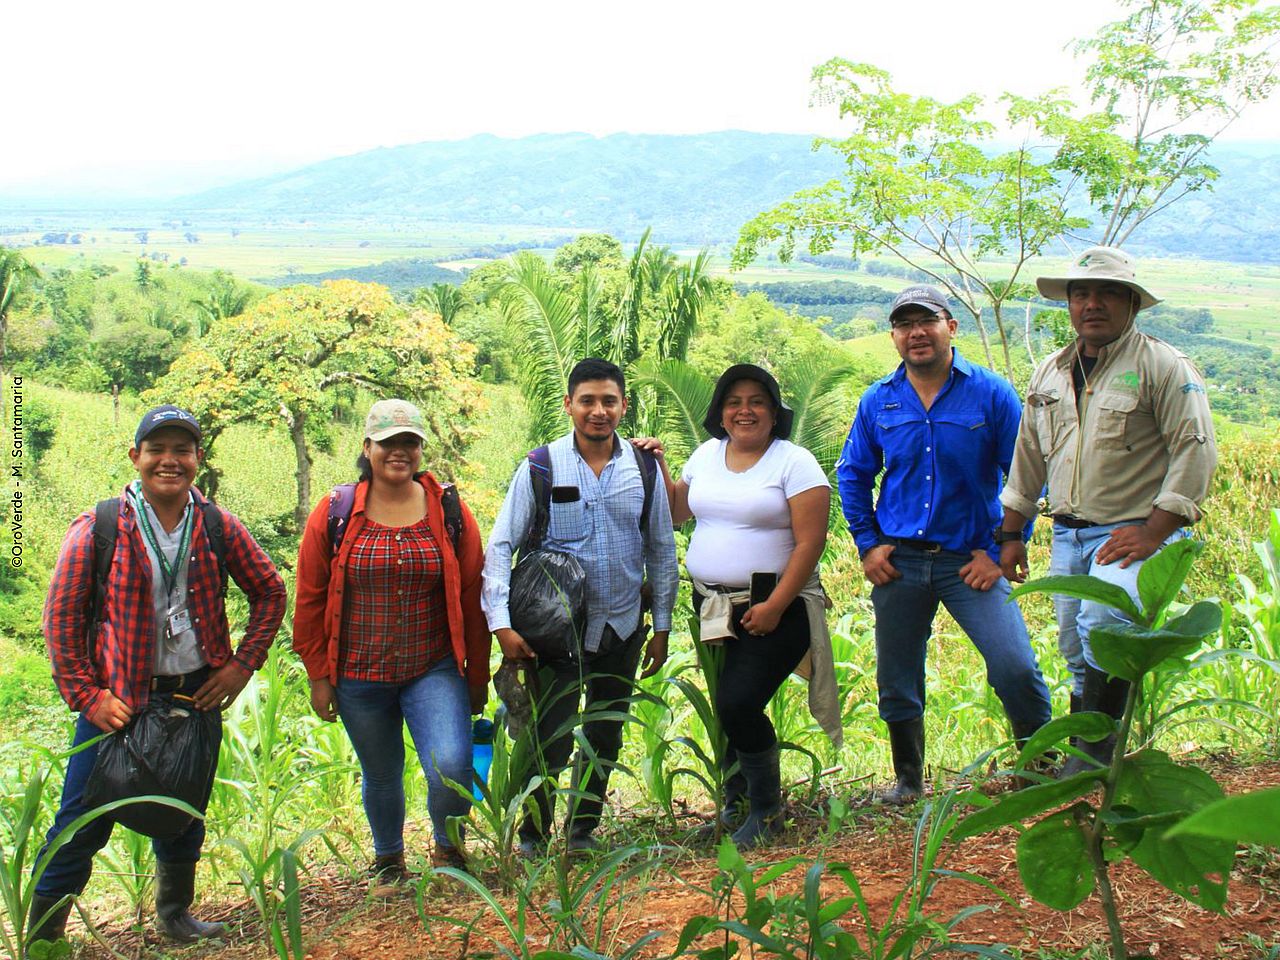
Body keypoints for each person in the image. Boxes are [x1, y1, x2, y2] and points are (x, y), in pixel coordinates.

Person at [32, 405, 286, 949]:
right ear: (137, 457)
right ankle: (43, 936)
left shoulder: (217, 525)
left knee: (183, 812)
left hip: (194, 695)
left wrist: (242, 665)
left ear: (197, 459)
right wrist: (85, 695)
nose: (170, 461)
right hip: (118, 704)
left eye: (182, 450)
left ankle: (175, 916)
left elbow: (270, 590)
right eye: (158, 450)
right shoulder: (100, 526)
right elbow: (61, 617)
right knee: (80, 822)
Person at [998, 247, 1217, 774]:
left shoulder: (1163, 366)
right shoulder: (1050, 372)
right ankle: (1090, 750)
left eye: (1107, 292)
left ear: (1132, 303)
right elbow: (1029, 455)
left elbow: (1195, 448)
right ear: (1070, 304)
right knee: (1076, 645)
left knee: (1105, 626)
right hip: (1069, 535)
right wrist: (1011, 533)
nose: (1091, 304)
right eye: (1081, 294)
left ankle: (1095, 756)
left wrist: (1153, 531)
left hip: (1129, 533)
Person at [836, 286, 1053, 804]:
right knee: (897, 676)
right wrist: (868, 545)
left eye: (926, 321)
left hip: (970, 560)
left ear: (950, 326)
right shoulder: (879, 400)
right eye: (904, 324)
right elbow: (852, 474)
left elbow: (1026, 475)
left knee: (1014, 666)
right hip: (900, 562)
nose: (916, 333)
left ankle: (1041, 770)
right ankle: (908, 782)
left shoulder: (992, 393)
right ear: (894, 335)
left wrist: (1005, 546)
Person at [636, 363, 841, 848]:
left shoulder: (794, 462)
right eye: (734, 402)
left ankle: (768, 812)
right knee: (726, 702)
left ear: (774, 413)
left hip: (777, 606)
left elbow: (811, 543)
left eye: (756, 402)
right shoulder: (707, 455)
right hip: (712, 605)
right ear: (721, 414)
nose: (744, 410)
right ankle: (738, 803)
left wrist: (774, 605)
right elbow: (677, 511)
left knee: (738, 701)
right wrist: (659, 462)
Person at [482, 358, 678, 856]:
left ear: (623, 406)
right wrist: (501, 624)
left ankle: (582, 832)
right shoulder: (541, 466)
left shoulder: (643, 468)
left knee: (605, 733)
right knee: (549, 736)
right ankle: (532, 835)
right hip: (554, 633)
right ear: (568, 405)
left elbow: (660, 547)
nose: (598, 411)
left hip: (621, 627)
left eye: (608, 401)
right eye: (587, 400)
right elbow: (502, 545)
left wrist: (662, 627)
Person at [293, 399, 491, 892]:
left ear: (421, 448)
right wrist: (319, 675)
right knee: (381, 771)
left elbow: (473, 595)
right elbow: (311, 596)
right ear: (367, 448)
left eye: (409, 442)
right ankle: (388, 861)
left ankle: (448, 849)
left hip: (433, 666)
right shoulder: (335, 511)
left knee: (450, 763)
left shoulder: (449, 509)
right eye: (388, 443)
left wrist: (477, 674)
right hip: (359, 671)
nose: (399, 452)